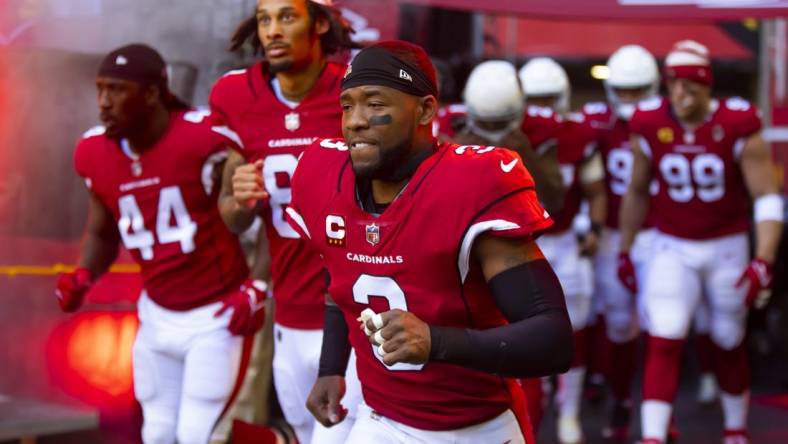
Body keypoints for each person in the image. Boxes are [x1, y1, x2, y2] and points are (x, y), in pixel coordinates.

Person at [283, 40, 573, 444]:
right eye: (347, 105)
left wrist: (437, 341)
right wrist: (332, 366)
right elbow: (340, 281)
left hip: (476, 428)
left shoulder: (473, 183)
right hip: (382, 419)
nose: (355, 121)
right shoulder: (322, 175)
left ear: (425, 109)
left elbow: (554, 339)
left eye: (375, 103)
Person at [55, 44, 268, 444]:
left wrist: (256, 285)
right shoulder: (93, 152)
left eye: (117, 90)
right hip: (156, 314)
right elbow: (103, 231)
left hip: (215, 313)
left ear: (152, 94)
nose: (103, 103)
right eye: (101, 89)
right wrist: (84, 274)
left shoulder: (203, 137)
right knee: (157, 433)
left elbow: (269, 212)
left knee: (197, 435)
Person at [208, 1, 360, 442]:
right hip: (289, 315)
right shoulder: (238, 97)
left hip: (352, 313)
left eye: (287, 17)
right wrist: (241, 199)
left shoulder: (356, 90)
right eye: (264, 19)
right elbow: (233, 216)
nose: (272, 30)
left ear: (320, 23)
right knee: (302, 431)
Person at [619, 40, 784, 444]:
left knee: (728, 338)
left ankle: (735, 429)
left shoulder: (737, 123)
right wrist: (625, 248)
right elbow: (637, 191)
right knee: (665, 334)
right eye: (674, 85)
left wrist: (763, 258)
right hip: (671, 244)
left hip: (725, 245)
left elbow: (765, 196)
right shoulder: (647, 122)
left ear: (708, 87)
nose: (680, 95)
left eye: (690, 87)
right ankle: (653, 436)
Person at [519, 56, 608, 444]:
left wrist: (595, 227)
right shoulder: (500, 129)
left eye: (547, 98)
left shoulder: (577, 136)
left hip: (565, 240)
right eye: (533, 98)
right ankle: (531, 414)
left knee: (575, 330)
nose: (541, 107)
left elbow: (596, 189)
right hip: (519, 246)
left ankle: (568, 412)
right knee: (524, 333)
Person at [582, 44, 660, 441]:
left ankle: (655, 407)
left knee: (663, 323)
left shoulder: (667, 120)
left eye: (637, 91)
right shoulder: (596, 122)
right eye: (623, 91)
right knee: (617, 323)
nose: (628, 99)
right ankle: (620, 397)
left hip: (661, 235)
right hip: (613, 234)